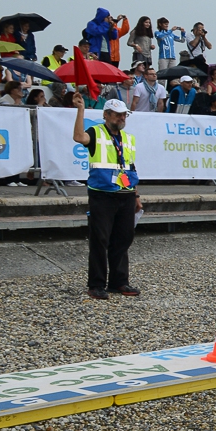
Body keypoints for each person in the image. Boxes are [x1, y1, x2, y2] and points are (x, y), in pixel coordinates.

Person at [72, 94, 142, 300]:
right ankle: (96, 284)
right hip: (102, 195)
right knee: (100, 240)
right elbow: (78, 138)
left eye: (124, 115)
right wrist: (80, 111)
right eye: (118, 115)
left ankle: (119, 282)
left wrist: (136, 195)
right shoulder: (95, 132)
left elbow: (130, 167)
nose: (122, 118)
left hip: (126, 195)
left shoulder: (129, 139)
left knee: (123, 239)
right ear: (107, 115)